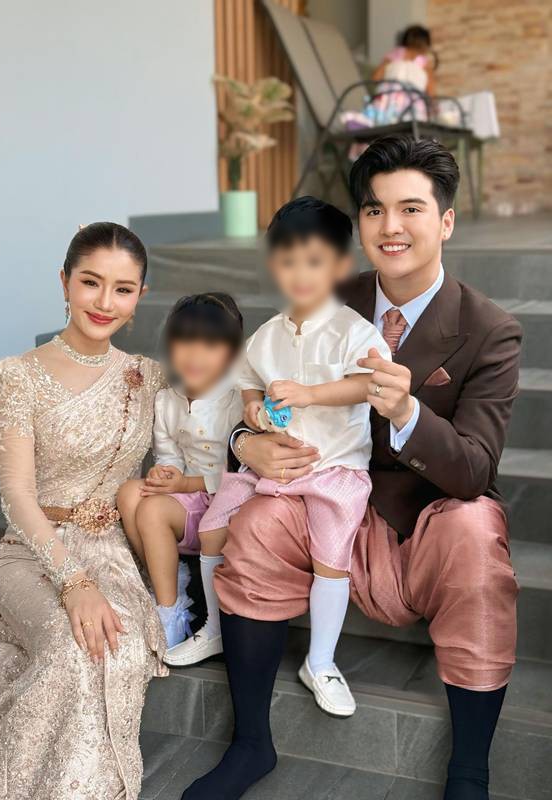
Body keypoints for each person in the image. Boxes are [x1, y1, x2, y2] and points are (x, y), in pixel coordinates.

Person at [181, 136, 521, 800]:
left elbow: (475, 470)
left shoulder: (489, 329)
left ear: (446, 221)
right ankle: (250, 743)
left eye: (411, 209)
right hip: (321, 492)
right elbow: (253, 389)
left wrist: (408, 411)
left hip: (424, 516)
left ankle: (469, 772)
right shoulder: (319, 296)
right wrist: (247, 443)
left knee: (477, 529)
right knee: (260, 517)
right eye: (374, 209)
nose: (391, 226)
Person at [0, 222, 169, 800]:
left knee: (114, 649)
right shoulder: (15, 375)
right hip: (31, 550)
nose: (105, 302)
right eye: (90, 282)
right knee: (70, 650)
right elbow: (16, 496)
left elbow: (204, 430)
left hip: (112, 552)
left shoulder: (146, 376)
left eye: (123, 289)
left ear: (140, 296)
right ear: (64, 282)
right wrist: (73, 582)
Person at [169, 198, 390, 720]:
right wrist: (253, 409)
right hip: (268, 467)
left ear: (340, 266)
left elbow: (369, 384)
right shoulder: (267, 335)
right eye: (288, 262)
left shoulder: (354, 331)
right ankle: (216, 628)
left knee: (331, 556)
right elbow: (247, 380)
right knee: (214, 528)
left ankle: (321, 659)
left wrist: (311, 395)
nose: (300, 275)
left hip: (332, 468)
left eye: (314, 262)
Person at [117, 293, 244, 653]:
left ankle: (169, 612)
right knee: (129, 493)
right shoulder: (167, 399)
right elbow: (169, 452)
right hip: (187, 499)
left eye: (210, 346)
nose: (195, 356)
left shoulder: (235, 399)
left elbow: (241, 468)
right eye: (185, 343)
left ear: (232, 353)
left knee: (152, 510)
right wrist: (166, 473)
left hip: (225, 503)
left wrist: (185, 483)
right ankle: (172, 581)